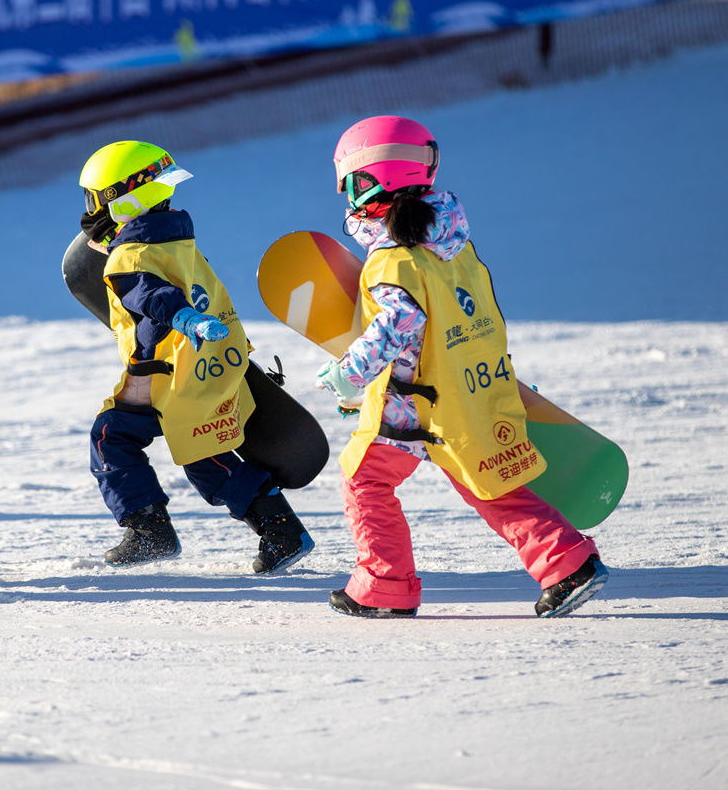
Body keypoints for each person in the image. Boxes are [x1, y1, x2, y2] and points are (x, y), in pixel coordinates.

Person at [315, 116, 607, 618]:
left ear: (375, 181)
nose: (349, 197)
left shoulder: (392, 260)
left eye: (353, 184)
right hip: (465, 389)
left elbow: (397, 326)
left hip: (418, 404)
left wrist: (351, 375)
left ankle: (386, 584)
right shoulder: (454, 246)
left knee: (364, 479)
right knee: (485, 480)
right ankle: (565, 561)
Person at [78, 141, 314, 573]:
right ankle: (274, 529)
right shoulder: (178, 242)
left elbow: (152, 295)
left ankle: (157, 531)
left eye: (94, 199)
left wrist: (185, 318)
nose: (89, 210)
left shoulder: (130, 257)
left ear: (122, 200)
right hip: (210, 366)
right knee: (189, 455)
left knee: (137, 445)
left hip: (172, 377)